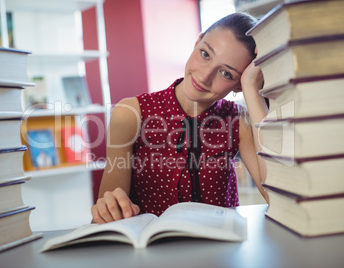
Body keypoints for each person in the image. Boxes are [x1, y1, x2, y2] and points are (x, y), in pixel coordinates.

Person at [91, 12, 269, 224]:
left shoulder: (239, 120)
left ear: (238, 85)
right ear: (197, 42)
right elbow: (104, 221)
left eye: (226, 74)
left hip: (218, 252)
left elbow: (277, 197)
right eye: (205, 54)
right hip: (149, 253)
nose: (204, 77)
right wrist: (107, 209)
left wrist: (252, 89)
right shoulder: (130, 113)